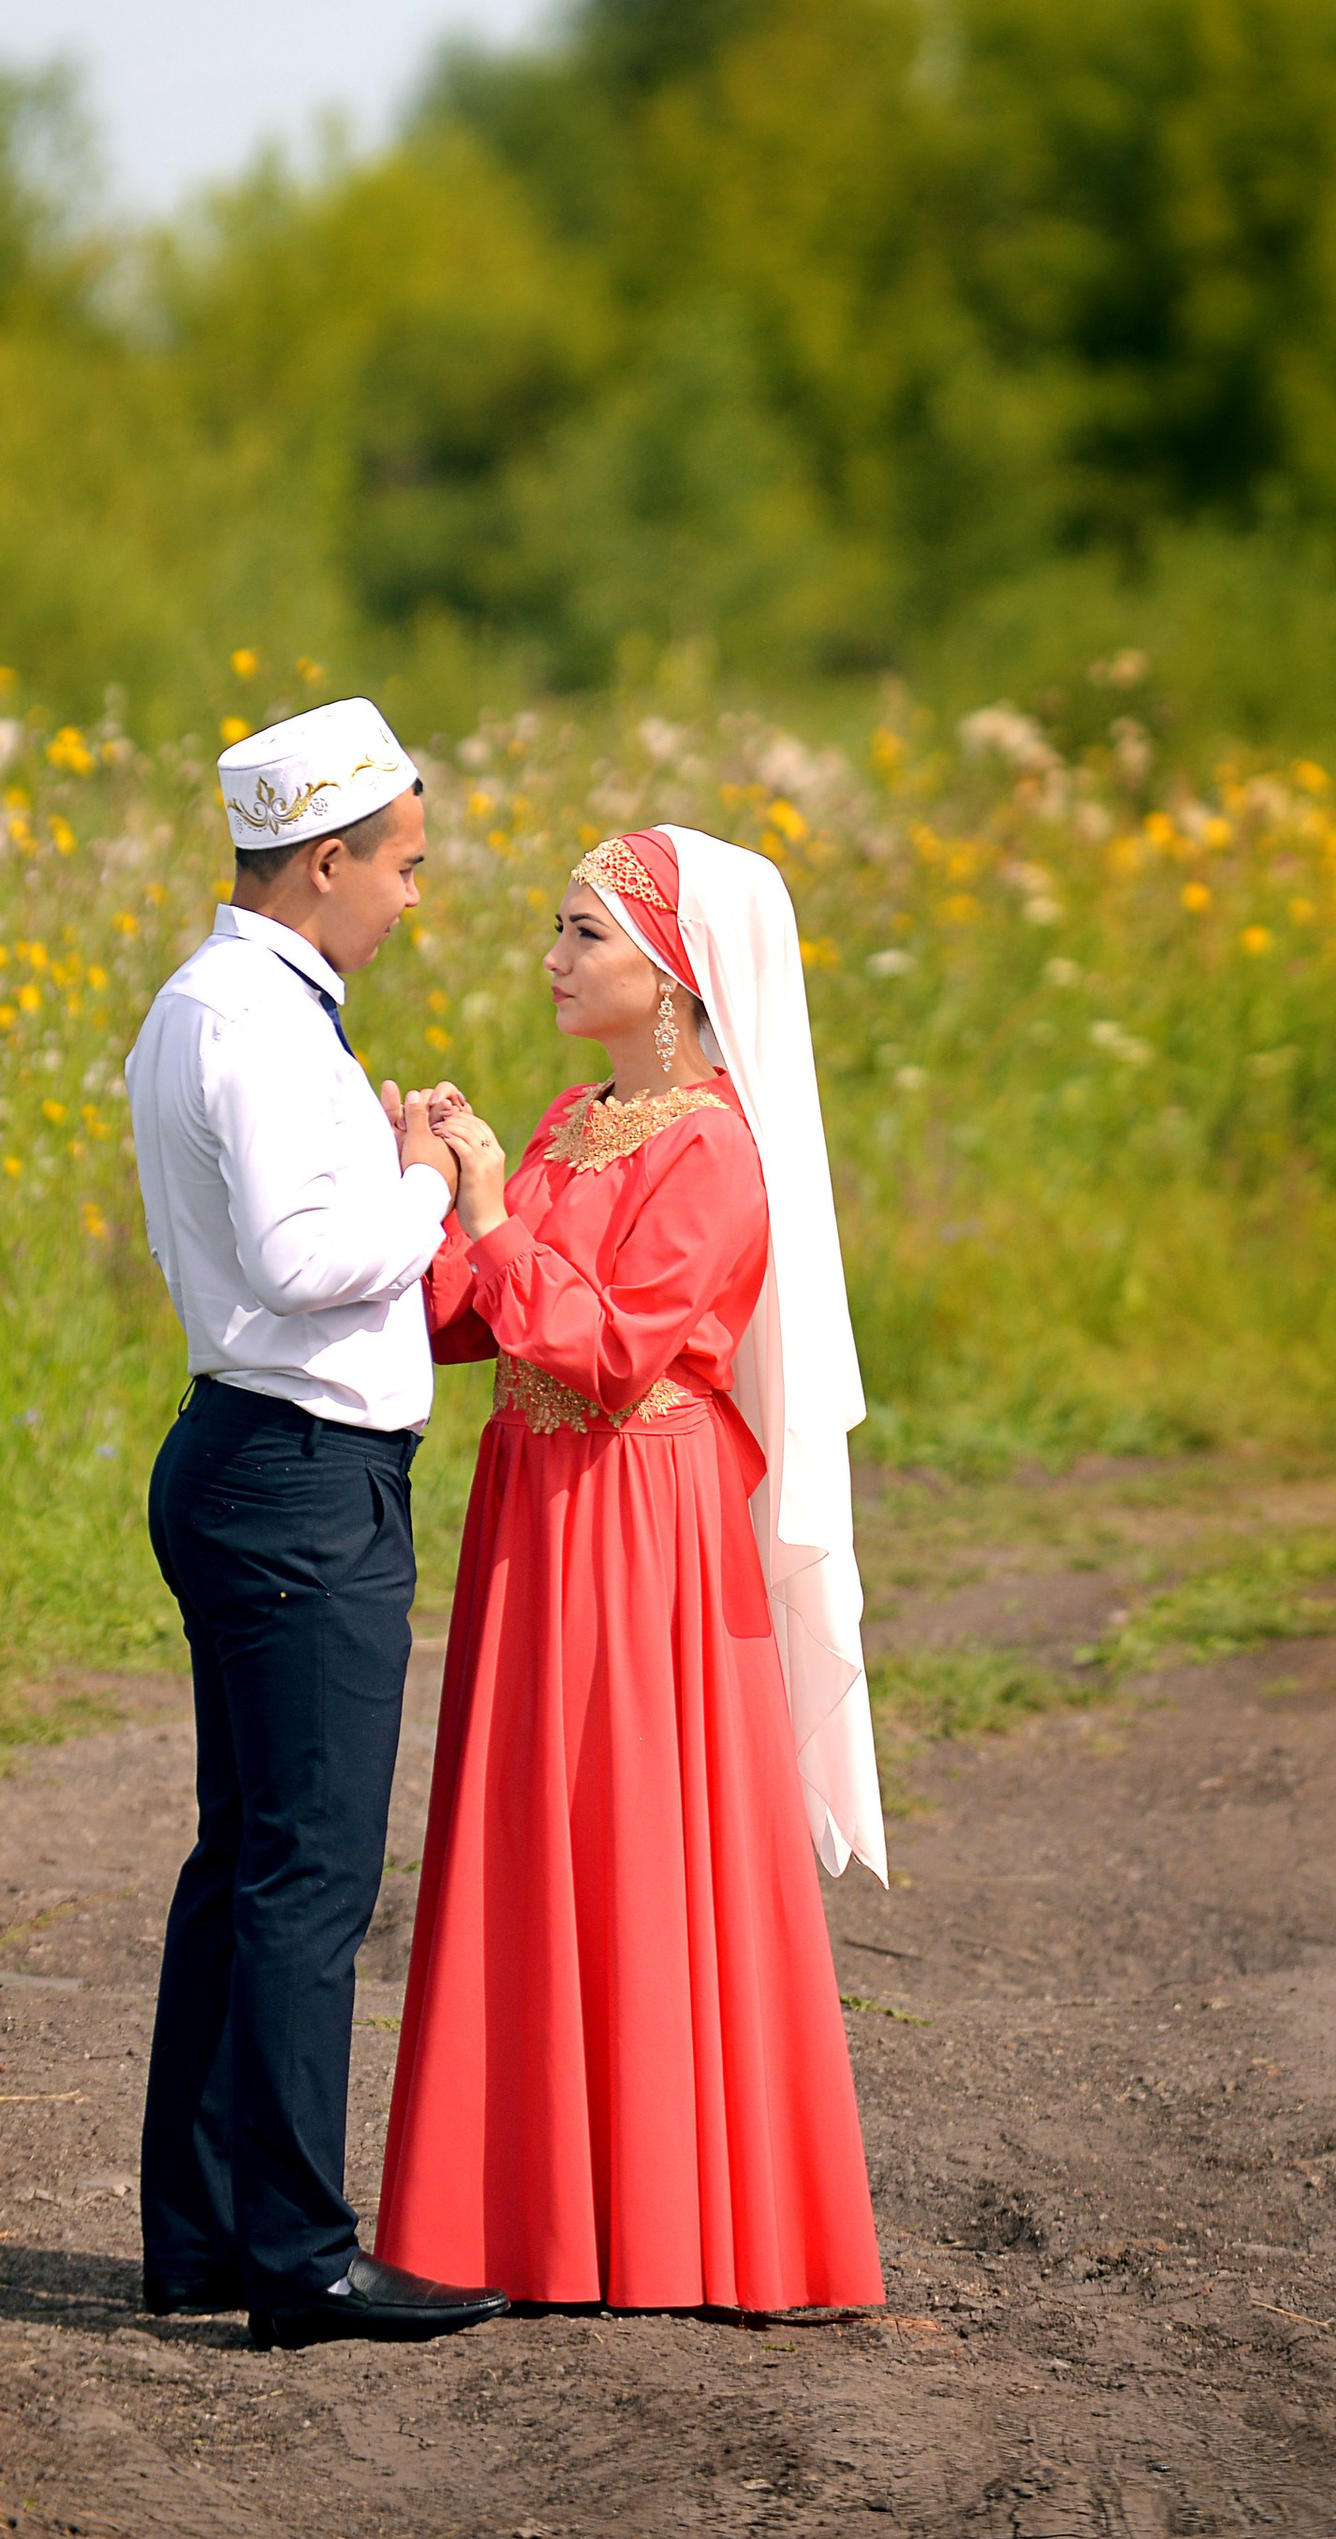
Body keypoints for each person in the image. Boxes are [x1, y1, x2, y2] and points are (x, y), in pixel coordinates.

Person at [375, 824, 884, 2314]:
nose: (553, 957)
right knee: (532, 1827)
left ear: (670, 976)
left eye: (583, 935)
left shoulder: (720, 1147)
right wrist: (437, 1186)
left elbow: (607, 1355)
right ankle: (525, 2220)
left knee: (637, 1830)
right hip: (535, 1503)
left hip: (643, 1513)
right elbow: (481, 1328)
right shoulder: (563, 1120)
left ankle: (670, 2222)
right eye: (560, 928)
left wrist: (485, 1221)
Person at [124, 697, 508, 2350]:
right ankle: (297, 2254)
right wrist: (425, 1180)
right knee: (308, 1875)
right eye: (405, 867)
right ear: (327, 860)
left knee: (246, 1860)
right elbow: (296, 1260)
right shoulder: (265, 1024)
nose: (416, 897)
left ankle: (207, 2234)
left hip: (249, 1454)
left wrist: (386, 1163)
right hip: (298, 1473)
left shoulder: (214, 1001)